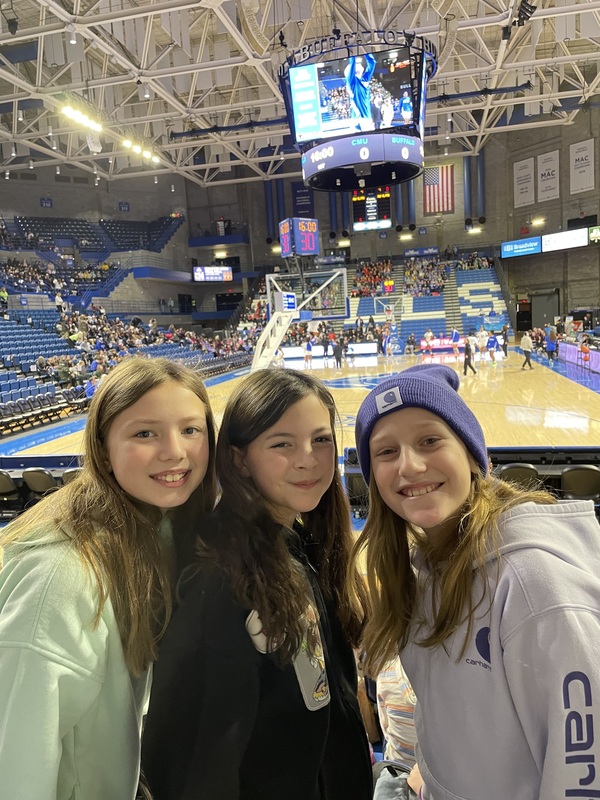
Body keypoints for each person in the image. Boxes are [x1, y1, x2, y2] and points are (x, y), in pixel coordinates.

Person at [351, 364, 600, 800]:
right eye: (386, 452)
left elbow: (583, 773)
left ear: (472, 454)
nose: (409, 465)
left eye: (429, 440)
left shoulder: (533, 581)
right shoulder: (421, 570)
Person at [142, 369, 372, 800]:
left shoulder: (298, 543)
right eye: (283, 443)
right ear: (240, 458)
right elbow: (195, 762)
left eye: (320, 440)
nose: (308, 458)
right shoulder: (218, 580)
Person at [0, 357, 217, 800]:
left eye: (191, 430)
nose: (175, 451)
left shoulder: (157, 528)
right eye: (144, 433)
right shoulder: (60, 575)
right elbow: (15, 768)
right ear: (102, 448)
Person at [344, 54, 376, 129]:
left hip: (367, 118)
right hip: (358, 119)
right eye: (357, 64)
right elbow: (352, 63)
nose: (359, 64)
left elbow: (372, 63)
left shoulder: (364, 80)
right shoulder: (352, 82)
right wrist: (352, 51)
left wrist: (366, 52)